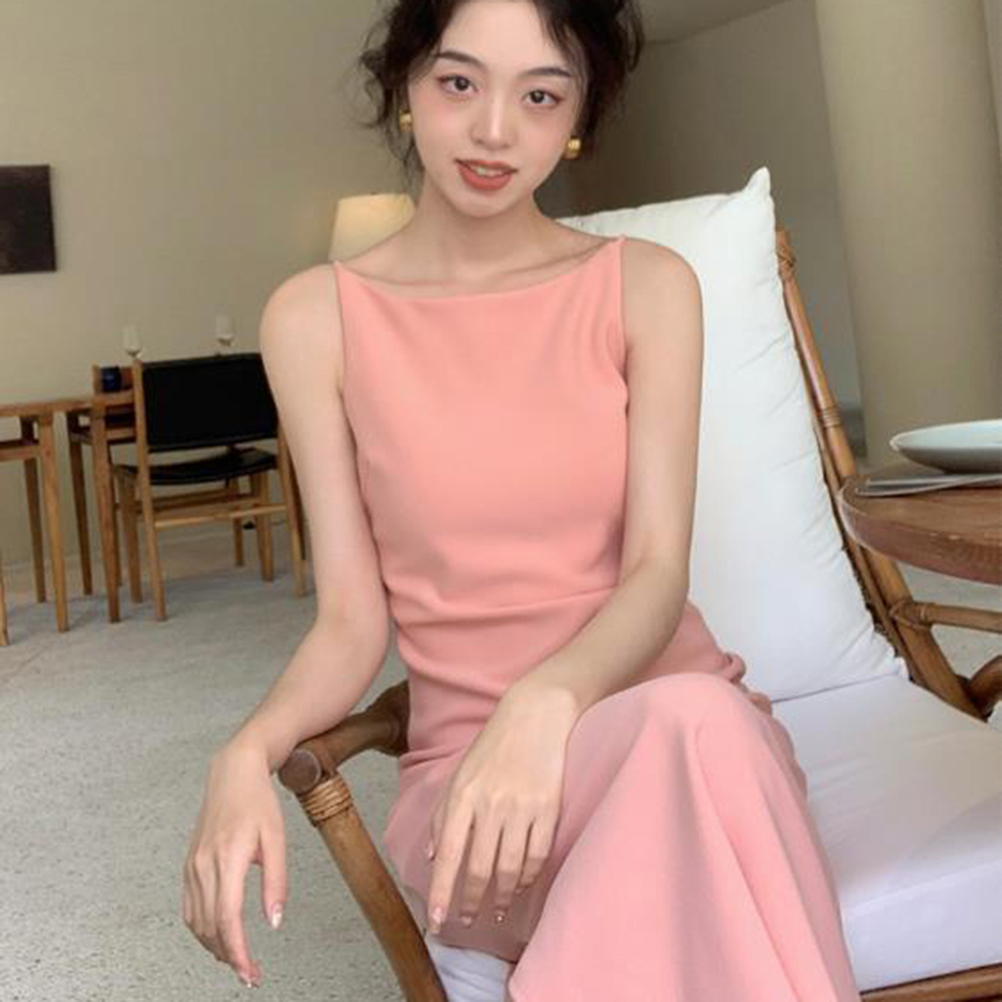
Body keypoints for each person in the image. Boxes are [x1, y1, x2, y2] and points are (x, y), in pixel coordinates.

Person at [182, 1, 862, 998]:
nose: (495, 129)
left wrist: (546, 701)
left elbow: (656, 572)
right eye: (460, 82)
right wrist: (244, 752)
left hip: (693, 744)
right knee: (695, 751)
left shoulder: (647, 287)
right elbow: (350, 622)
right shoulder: (315, 318)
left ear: (577, 118)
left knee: (696, 723)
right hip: (478, 790)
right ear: (407, 89)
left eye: (541, 96)